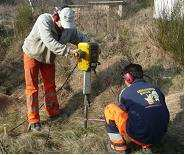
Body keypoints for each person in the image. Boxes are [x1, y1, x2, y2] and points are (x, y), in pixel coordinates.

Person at [22, 6, 89, 131]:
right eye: (62, 24)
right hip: (32, 54)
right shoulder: (44, 20)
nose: (64, 28)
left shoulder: (69, 29)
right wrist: (70, 51)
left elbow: (81, 38)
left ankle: (53, 112)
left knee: (50, 86)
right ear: (56, 17)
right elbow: (49, 42)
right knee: (32, 87)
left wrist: (92, 46)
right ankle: (33, 119)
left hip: (48, 58)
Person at [104, 63, 169, 153]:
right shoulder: (156, 88)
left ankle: (120, 147)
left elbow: (123, 113)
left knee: (110, 109)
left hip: (141, 137)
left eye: (124, 79)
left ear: (128, 78)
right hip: (161, 135)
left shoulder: (126, 92)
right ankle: (149, 142)